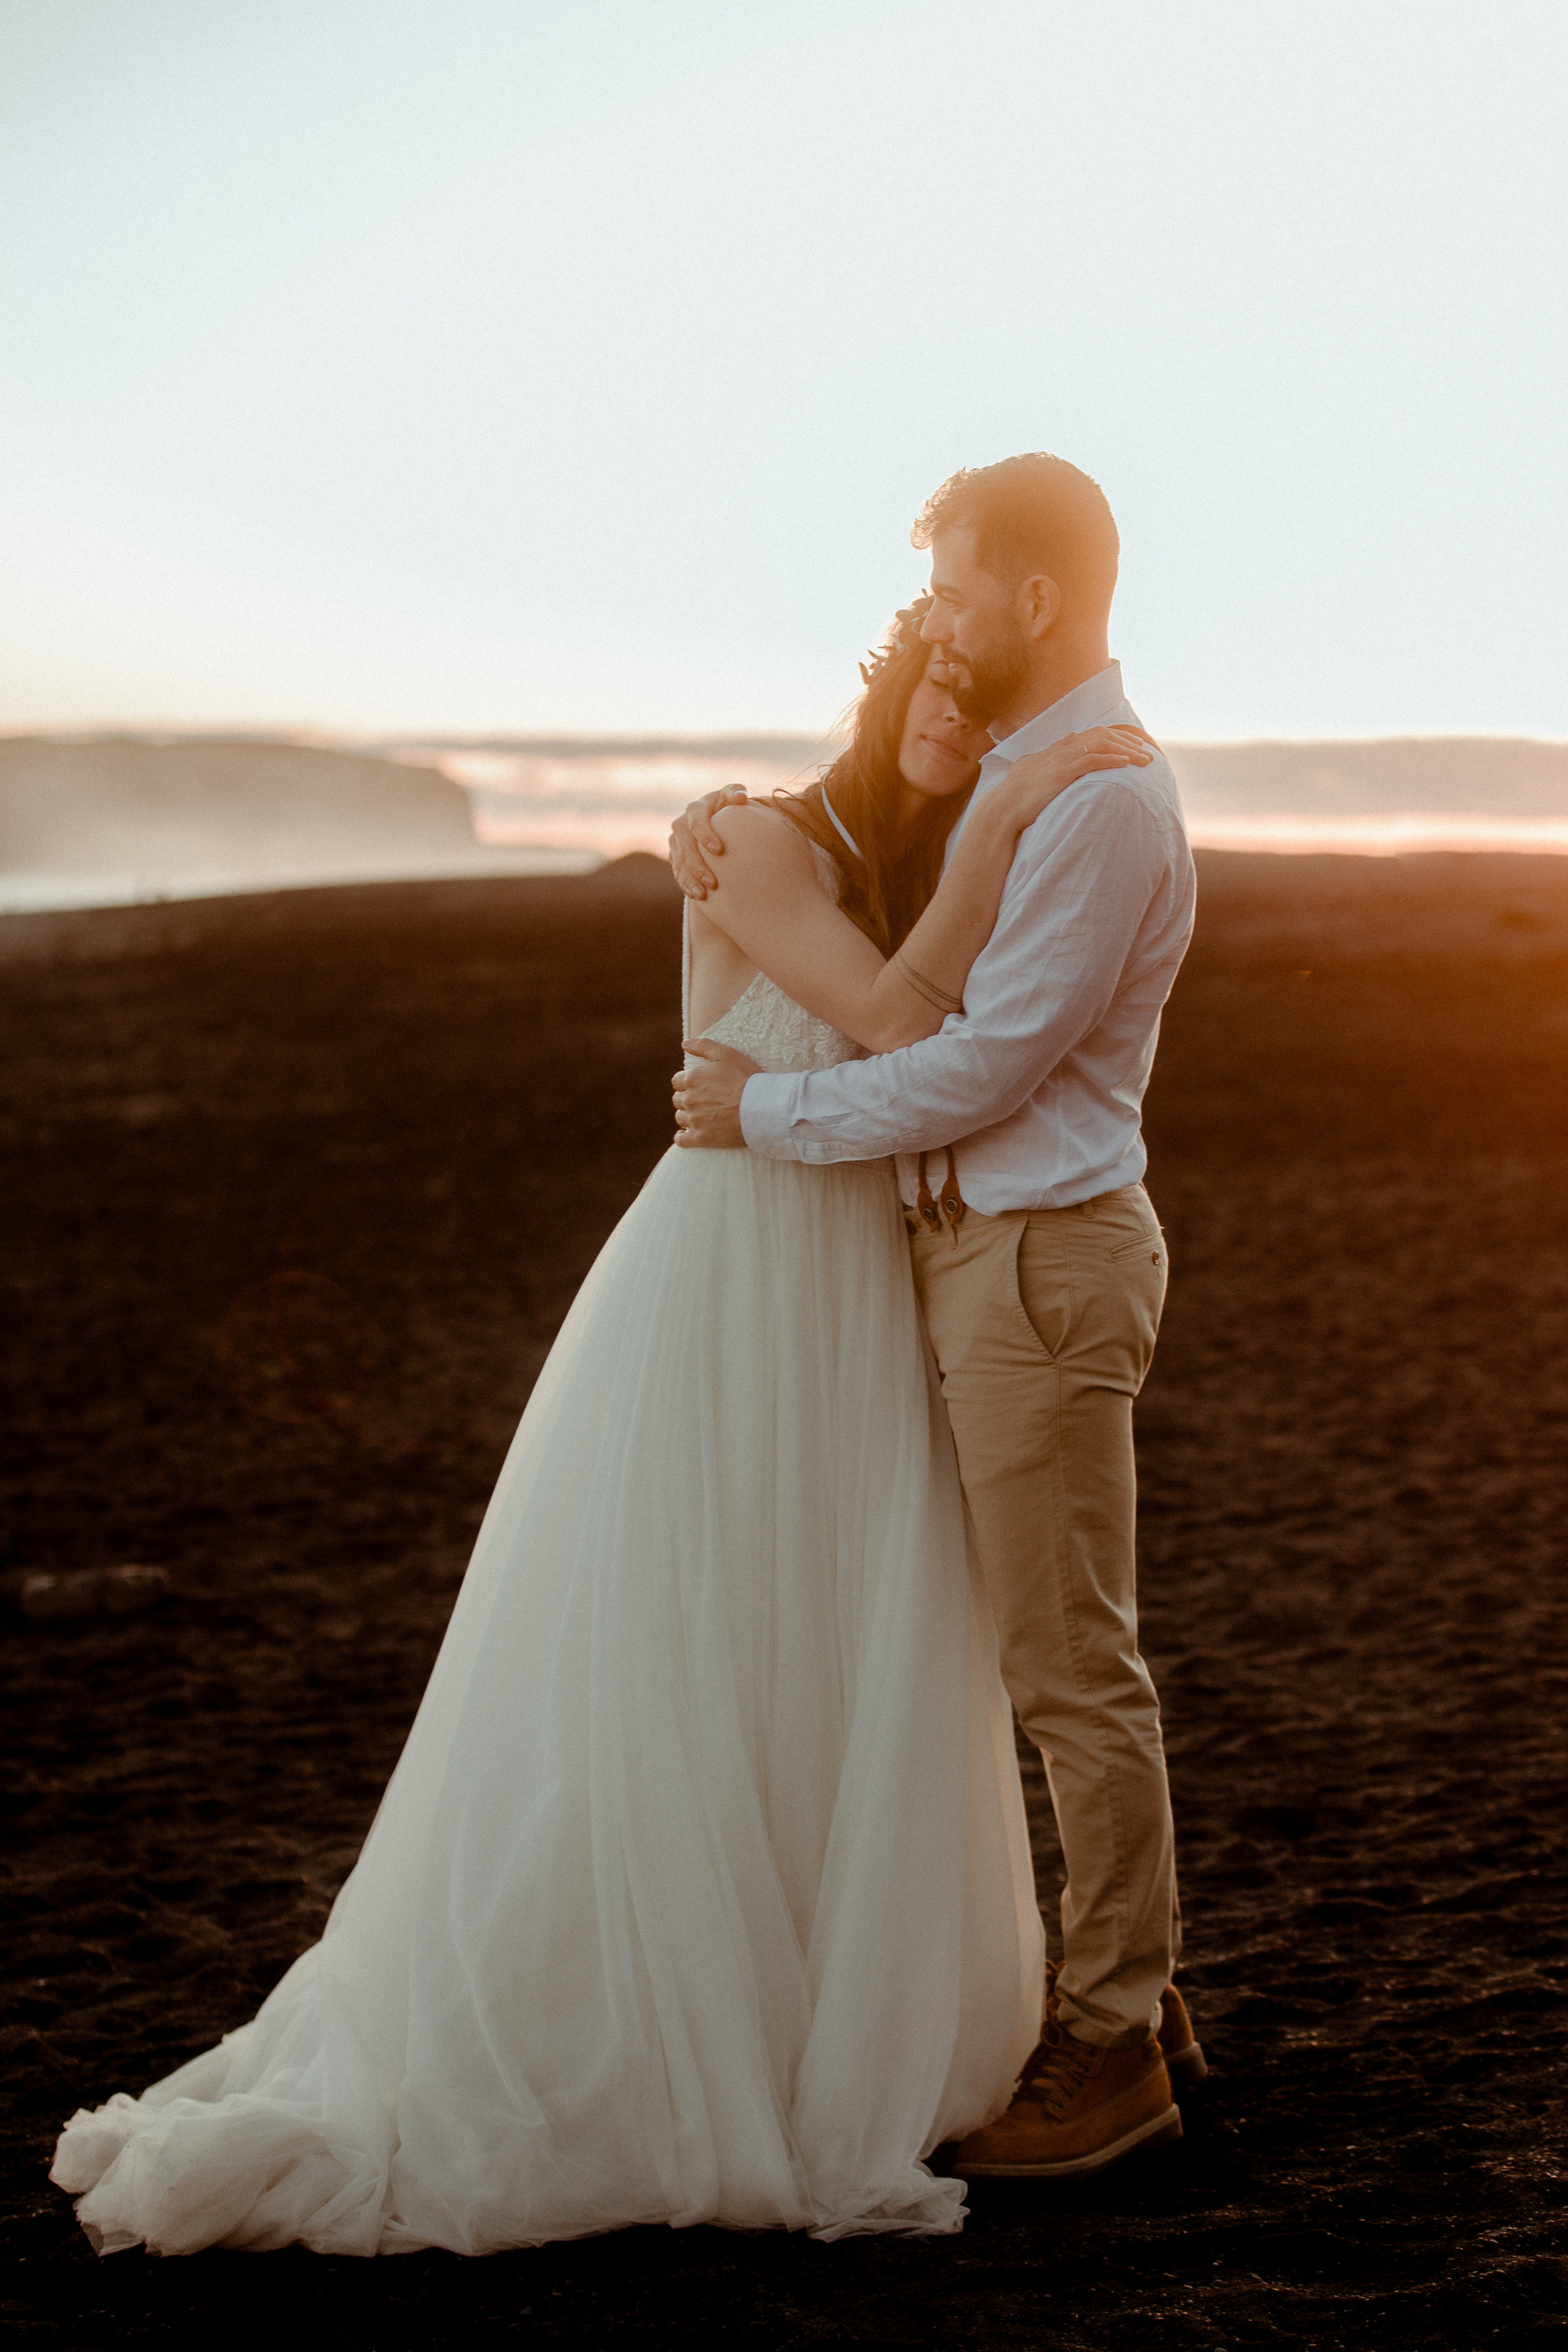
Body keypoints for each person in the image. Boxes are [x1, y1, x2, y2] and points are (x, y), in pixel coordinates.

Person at [51, 603, 1150, 2256]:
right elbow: (909, 1035)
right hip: (738, 1272)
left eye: (972, 701)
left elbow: (950, 1041)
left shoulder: (911, 882)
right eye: (927, 683)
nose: (946, 716)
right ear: (880, 692)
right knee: (686, 1643)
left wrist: (980, 850)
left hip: (856, 1277)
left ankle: (832, 2021)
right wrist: (1002, 822)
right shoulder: (764, 843)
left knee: (843, 1644)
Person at [671, 451, 1200, 2182]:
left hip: (1038, 1254)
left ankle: (1115, 2036)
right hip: (994, 1256)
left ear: (1037, 600)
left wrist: (767, 1119)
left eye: (964, 589)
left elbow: (977, 1062)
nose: (943, 623)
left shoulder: (1103, 800)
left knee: (1069, 1669)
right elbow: (922, 986)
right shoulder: (1041, 780)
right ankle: (1141, 1998)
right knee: (1040, 1652)